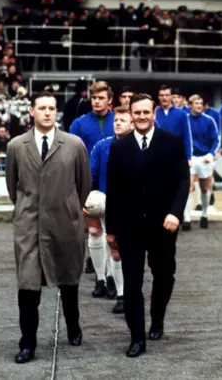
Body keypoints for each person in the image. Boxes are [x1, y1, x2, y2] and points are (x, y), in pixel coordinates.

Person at [5, 92, 91, 364]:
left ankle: (73, 325)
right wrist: (27, 210)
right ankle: (27, 342)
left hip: (65, 223)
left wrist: (69, 209)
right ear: (31, 111)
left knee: (68, 280)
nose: (47, 112)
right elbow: (13, 186)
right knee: (28, 286)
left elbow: (84, 184)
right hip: (29, 226)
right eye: (41, 108)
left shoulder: (74, 145)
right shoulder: (16, 146)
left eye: (51, 108)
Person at [105, 93, 190, 358]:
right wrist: (111, 231)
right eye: (137, 113)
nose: (142, 117)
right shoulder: (119, 148)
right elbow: (114, 191)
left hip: (163, 226)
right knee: (132, 284)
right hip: (130, 227)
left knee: (164, 276)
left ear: (154, 113)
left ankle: (158, 318)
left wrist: (176, 213)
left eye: (146, 112)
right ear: (130, 115)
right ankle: (136, 337)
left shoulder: (172, 142)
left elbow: (182, 181)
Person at [69, 81, 116, 295]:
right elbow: (71, 153)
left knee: (114, 235)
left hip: (116, 181)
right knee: (95, 230)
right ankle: (100, 279)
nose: (96, 102)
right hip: (89, 181)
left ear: (110, 100)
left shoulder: (120, 119)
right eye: (94, 98)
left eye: (101, 98)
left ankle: (113, 278)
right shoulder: (79, 124)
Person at [87, 105, 135, 314]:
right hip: (107, 204)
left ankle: (127, 290)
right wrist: (86, 200)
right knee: (114, 250)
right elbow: (92, 177)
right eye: (116, 120)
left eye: (123, 120)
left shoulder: (140, 147)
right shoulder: (101, 146)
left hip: (133, 207)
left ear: (132, 124)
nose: (117, 123)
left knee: (127, 251)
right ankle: (119, 293)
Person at [185, 95, 220, 229]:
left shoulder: (209, 120)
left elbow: (215, 140)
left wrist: (211, 154)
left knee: (205, 188)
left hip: (205, 157)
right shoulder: (185, 120)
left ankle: (204, 214)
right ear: (190, 105)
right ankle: (187, 219)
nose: (199, 105)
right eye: (196, 103)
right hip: (191, 157)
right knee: (188, 188)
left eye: (201, 103)